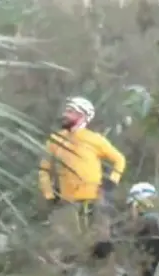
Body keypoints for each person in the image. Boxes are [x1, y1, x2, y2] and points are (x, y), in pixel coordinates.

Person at [38, 96, 126, 260]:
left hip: (94, 197)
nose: (65, 114)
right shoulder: (56, 139)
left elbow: (119, 159)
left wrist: (113, 180)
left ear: (82, 116)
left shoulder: (94, 139)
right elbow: (44, 169)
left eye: (70, 111)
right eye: (66, 110)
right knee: (66, 245)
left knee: (102, 244)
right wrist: (49, 194)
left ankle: (103, 272)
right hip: (67, 200)